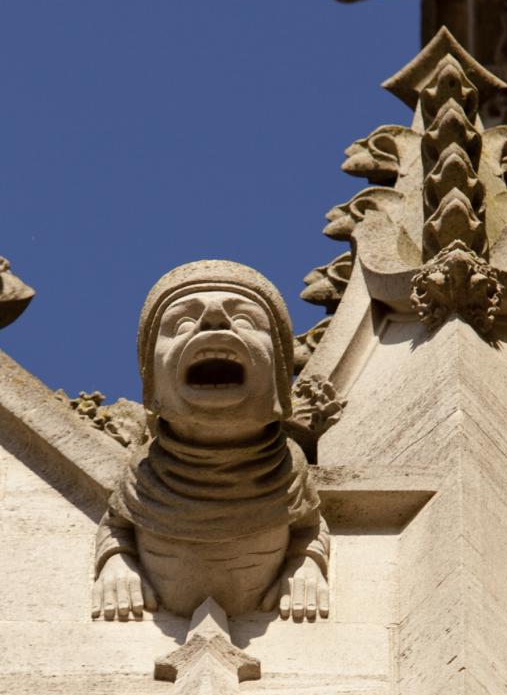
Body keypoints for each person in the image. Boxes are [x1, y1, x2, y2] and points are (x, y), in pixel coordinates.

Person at [92, 260, 330, 622]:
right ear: (152, 385)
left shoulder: (290, 469)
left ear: (280, 378)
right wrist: (116, 562)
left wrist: (306, 563)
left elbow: (309, 526)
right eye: (181, 324)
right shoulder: (142, 474)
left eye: (246, 321)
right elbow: (116, 525)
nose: (214, 320)